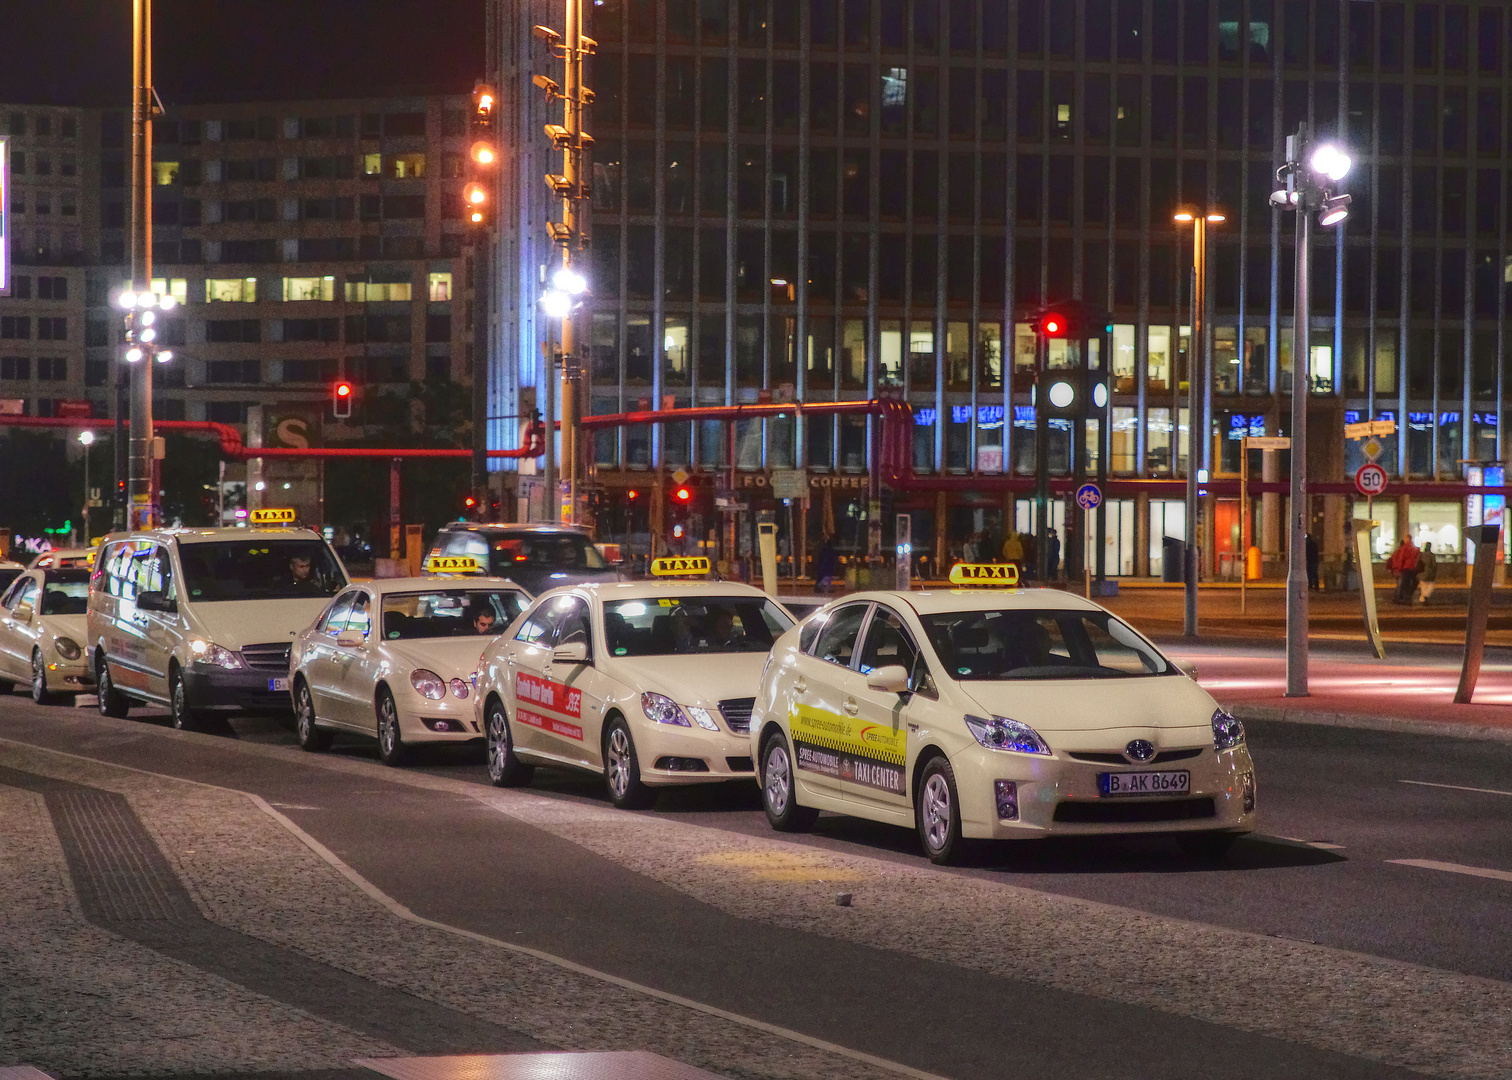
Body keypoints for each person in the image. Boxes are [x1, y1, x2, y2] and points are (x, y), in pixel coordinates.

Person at [1387, 535, 1420, 604]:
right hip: (1413, 569)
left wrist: (1398, 569)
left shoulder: (1404, 548)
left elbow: (1401, 559)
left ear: (1406, 539)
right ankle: (1408, 598)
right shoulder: (1415, 549)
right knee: (1409, 584)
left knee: (1401, 584)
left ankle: (1398, 598)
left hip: (1405, 568)